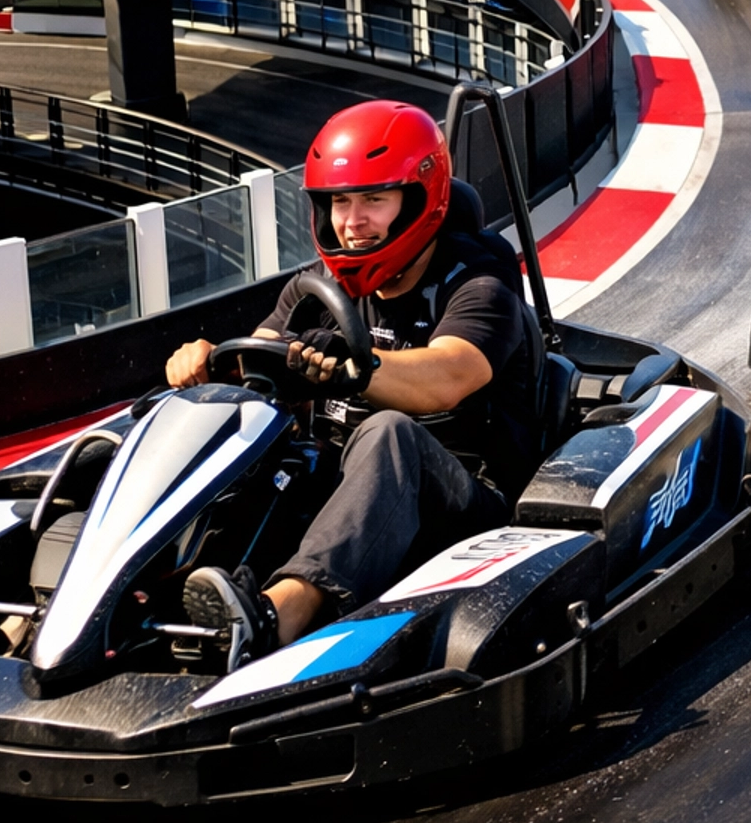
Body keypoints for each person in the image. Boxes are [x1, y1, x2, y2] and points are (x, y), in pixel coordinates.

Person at [166, 100, 533, 670]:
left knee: (390, 432)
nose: (352, 222)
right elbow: (262, 359)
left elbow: (451, 374)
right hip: (341, 487)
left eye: (373, 200)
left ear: (419, 199)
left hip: (463, 503)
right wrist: (208, 366)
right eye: (340, 201)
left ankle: (275, 617)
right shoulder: (318, 287)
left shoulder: (480, 275)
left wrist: (357, 368)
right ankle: (109, 594)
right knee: (218, 428)